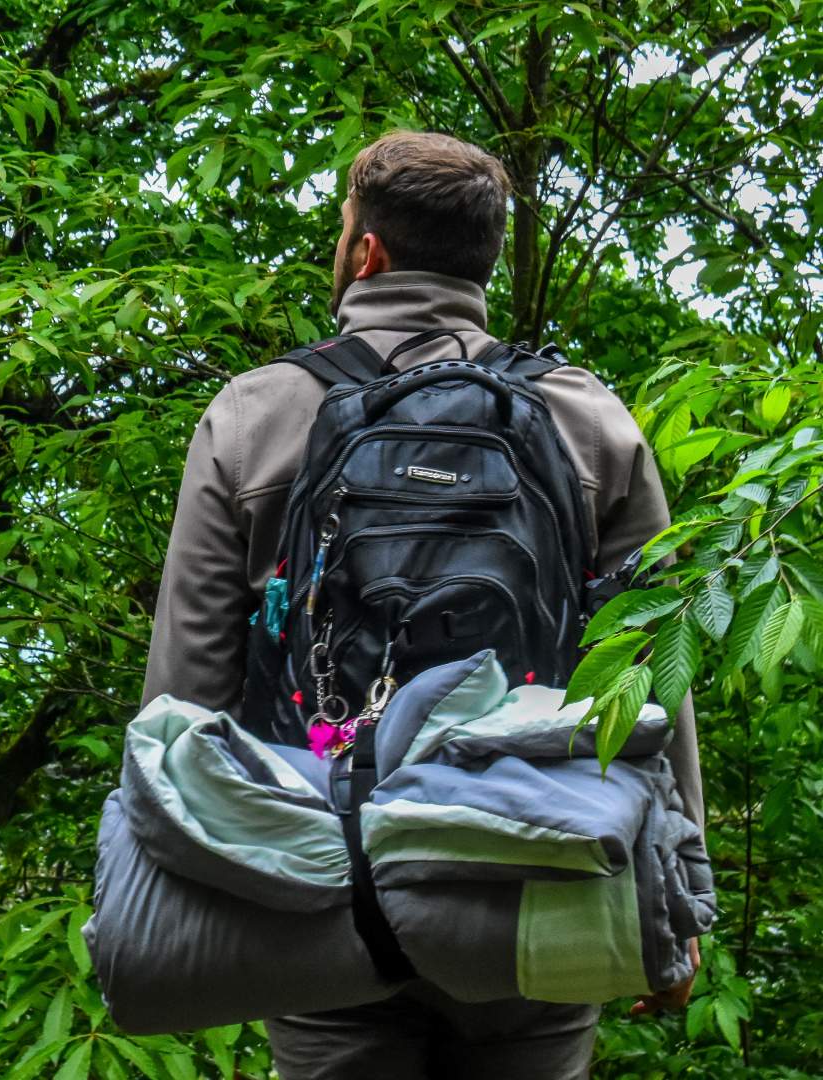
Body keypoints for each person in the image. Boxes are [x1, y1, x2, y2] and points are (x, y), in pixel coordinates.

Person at [140, 130, 706, 1079]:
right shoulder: (589, 418)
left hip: (320, 884)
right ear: (484, 262)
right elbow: (651, 678)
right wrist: (680, 898)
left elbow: (186, 690)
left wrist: (172, 904)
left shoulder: (255, 412)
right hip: (540, 880)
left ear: (367, 251)